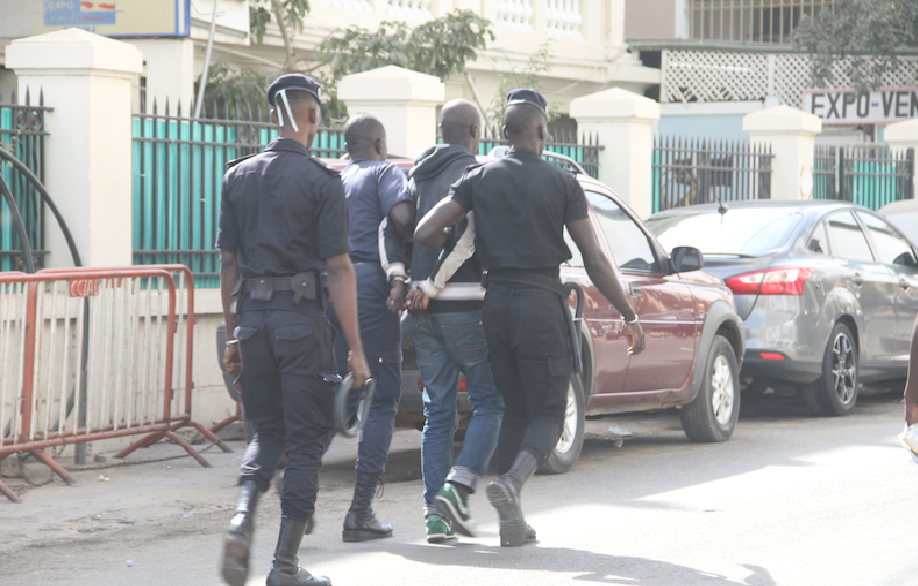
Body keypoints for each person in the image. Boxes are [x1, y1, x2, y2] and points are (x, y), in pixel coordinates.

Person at [415, 89, 646, 547]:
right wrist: (628, 314)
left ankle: (504, 518)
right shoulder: (562, 183)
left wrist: (453, 248)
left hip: (495, 306)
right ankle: (512, 483)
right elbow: (596, 259)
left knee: (514, 411)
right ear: (541, 132)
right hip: (541, 303)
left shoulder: (479, 177)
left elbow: (425, 231)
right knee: (548, 411)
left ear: (504, 134)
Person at [217, 73, 370, 586]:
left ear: (273, 117)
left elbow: (229, 267)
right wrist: (356, 350)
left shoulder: (236, 176)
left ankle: (241, 515)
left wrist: (235, 334)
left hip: (255, 324)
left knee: (267, 429)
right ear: (311, 117)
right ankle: (283, 567)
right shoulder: (323, 182)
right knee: (306, 442)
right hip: (301, 324)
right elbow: (340, 270)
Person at [397, 99, 505, 543]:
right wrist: (433, 283)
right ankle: (454, 491)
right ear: (475, 132)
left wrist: (404, 282)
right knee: (489, 402)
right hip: (465, 306)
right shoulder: (476, 175)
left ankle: (434, 516)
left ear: (442, 131)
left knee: (437, 412)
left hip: (421, 310)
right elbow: (467, 239)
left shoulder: (415, 173)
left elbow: (399, 227)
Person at [327, 114, 415, 543]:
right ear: (380, 143)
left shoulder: (331, 179)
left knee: (334, 390)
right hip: (368, 290)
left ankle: (299, 500)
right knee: (379, 396)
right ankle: (360, 510)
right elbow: (401, 219)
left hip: (328, 292)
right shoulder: (385, 172)